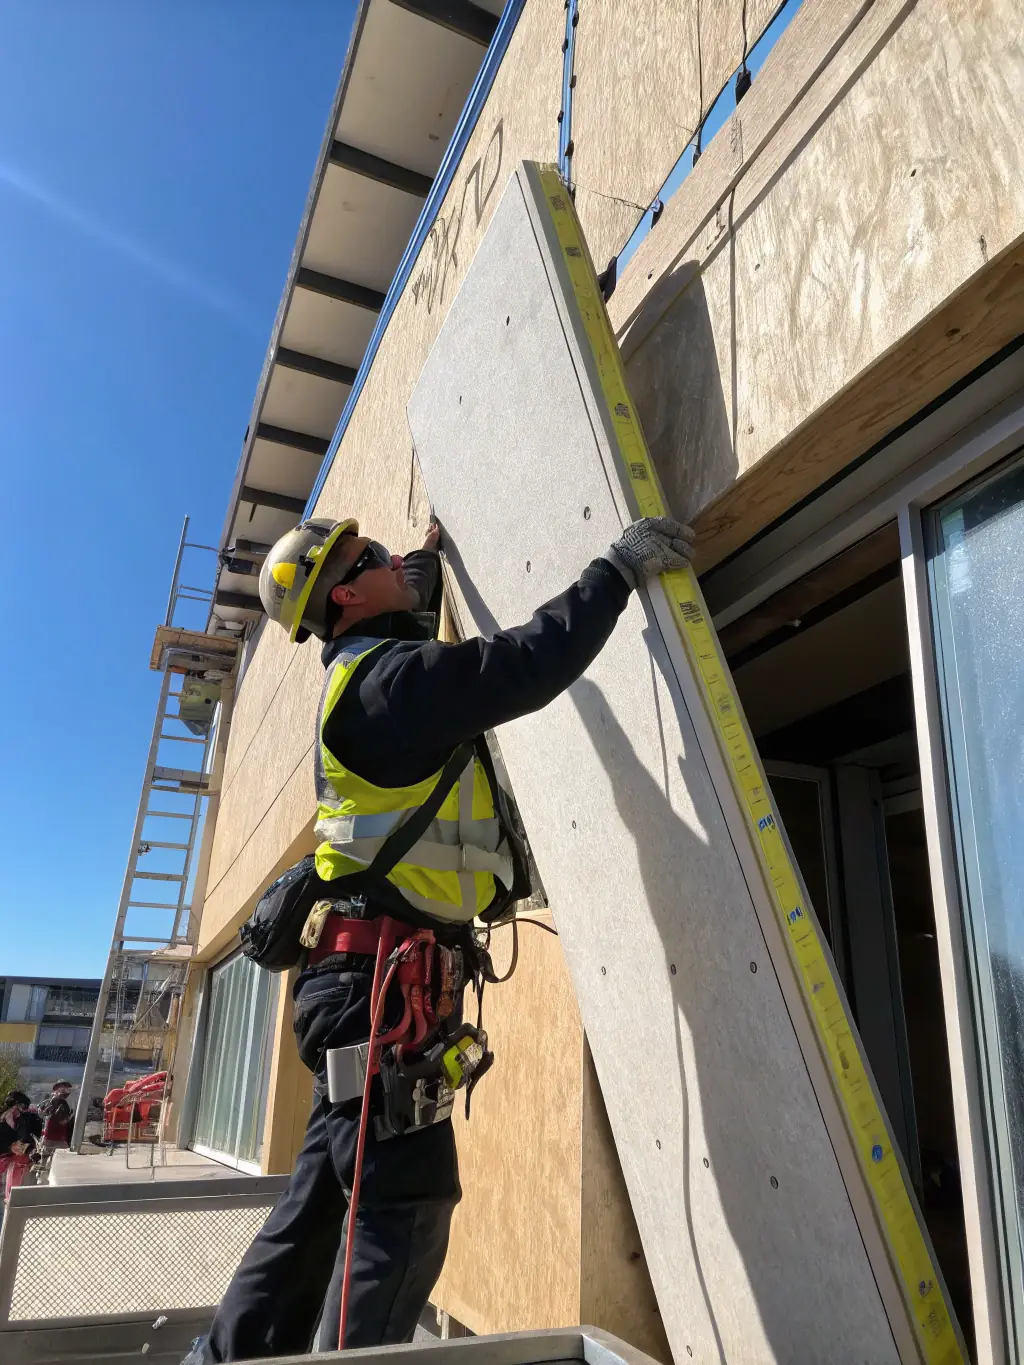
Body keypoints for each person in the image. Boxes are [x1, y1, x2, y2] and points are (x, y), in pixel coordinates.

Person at [188, 511, 693, 1362]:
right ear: (345, 591)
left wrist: (422, 554)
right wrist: (615, 570)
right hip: (379, 997)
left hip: (360, 989)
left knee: (317, 1215)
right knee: (400, 1213)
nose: (390, 557)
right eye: (371, 555)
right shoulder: (393, 687)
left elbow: (410, 597)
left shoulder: (365, 673)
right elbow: (524, 664)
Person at [0, 1091, 41, 1202]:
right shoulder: (4, 1118)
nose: (21, 1111)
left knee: (14, 1186)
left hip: (15, 1156)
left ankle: (11, 1201)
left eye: (24, 1108)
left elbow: (25, 1139)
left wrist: (30, 1151)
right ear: (13, 1105)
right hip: (5, 1154)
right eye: (20, 1107)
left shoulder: (23, 1120)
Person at [40, 1080, 75, 1153]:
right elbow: (62, 1122)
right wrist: (71, 1116)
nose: (65, 1091)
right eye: (62, 1089)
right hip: (56, 1138)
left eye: (66, 1088)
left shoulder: (63, 1103)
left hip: (54, 1137)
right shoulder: (51, 1102)